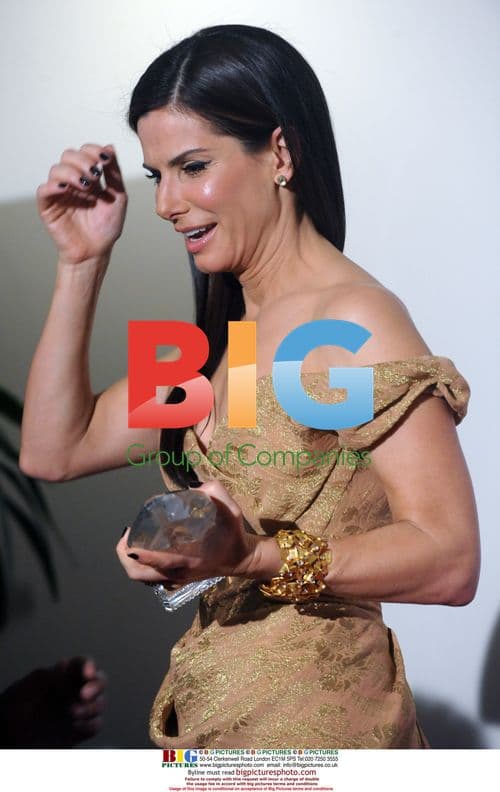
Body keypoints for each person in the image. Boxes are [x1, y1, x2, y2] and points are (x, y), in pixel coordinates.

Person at [20, 24, 480, 749]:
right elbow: (54, 450)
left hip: (320, 733)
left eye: (192, 166)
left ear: (280, 154)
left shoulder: (347, 323)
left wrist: (253, 558)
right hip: (206, 723)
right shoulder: (219, 342)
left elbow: (449, 559)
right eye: (156, 176)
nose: (168, 203)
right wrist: (81, 262)